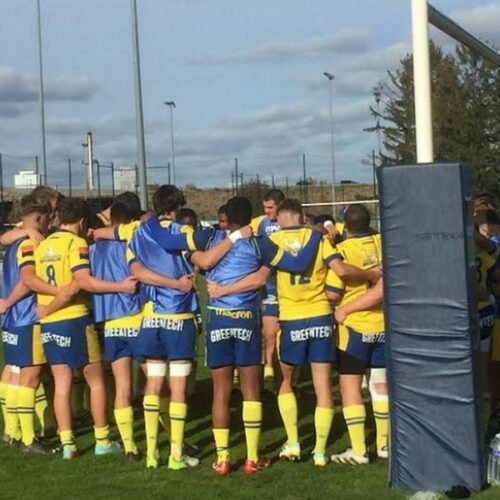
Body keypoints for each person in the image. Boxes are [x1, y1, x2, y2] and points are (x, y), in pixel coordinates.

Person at [208, 199, 380, 467]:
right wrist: (370, 275)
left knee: (285, 381)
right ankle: (320, 452)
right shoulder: (317, 239)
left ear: (280, 218)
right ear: (301, 216)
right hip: (321, 316)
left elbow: (258, 279)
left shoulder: (273, 241)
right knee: (323, 386)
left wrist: (223, 290)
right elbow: (339, 270)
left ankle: (294, 442)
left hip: (291, 319)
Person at [195, 197, 323, 476]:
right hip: (245, 319)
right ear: (251, 218)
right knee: (251, 391)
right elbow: (291, 266)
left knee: (221, 391)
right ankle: (252, 458)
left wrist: (211, 278)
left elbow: (193, 256)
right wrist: (316, 234)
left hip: (218, 319)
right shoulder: (259, 243)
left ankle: (222, 458)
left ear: (225, 218)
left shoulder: (209, 239)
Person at [127, 185, 245, 470]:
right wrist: (236, 236)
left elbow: (137, 272)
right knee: (178, 389)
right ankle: (176, 455)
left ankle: (152, 453)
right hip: (177, 317)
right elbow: (205, 259)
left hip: (150, 316)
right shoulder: (180, 232)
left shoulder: (138, 233)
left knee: (153, 384)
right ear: (177, 206)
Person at [87, 201, 195, 461]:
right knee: (159, 386)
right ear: (132, 218)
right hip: (137, 318)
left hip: (110, 323)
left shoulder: (93, 248)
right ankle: (175, 443)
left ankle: (130, 447)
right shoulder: (134, 235)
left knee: (122, 387)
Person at [35, 197, 137, 459]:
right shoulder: (76, 243)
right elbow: (83, 281)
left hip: (49, 324)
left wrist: (47, 309)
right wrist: (120, 287)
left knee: (62, 383)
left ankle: (68, 445)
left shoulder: (43, 245)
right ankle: (102, 440)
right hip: (74, 319)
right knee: (96, 381)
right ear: (81, 222)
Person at [0, 195, 65, 451]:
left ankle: (12, 431)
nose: (50, 222)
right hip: (27, 316)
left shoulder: (14, 242)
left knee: (14, 374)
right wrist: (58, 291)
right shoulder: (29, 243)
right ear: (39, 218)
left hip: (12, 318)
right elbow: (28, 281)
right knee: (30, 376)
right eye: (48, 218)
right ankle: (28, 439)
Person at [326, 204, 387, 465]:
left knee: (350, 387)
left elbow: (332, 294)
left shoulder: (342, 251)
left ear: (346, 226)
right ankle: (384, 445)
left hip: (353, 327)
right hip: (383, 325)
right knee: (381, 385)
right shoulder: (384, 243)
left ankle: (359, 450)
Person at [250, 189, 284, 388]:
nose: (267, 211)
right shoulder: (259, 223)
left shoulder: (291, 221)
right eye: (265, 207)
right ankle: (269, 370)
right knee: (269, 331)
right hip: (267, 285)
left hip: (287, 286)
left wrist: (328, 223)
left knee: (279, 333)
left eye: (270, 207)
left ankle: (279, 375)